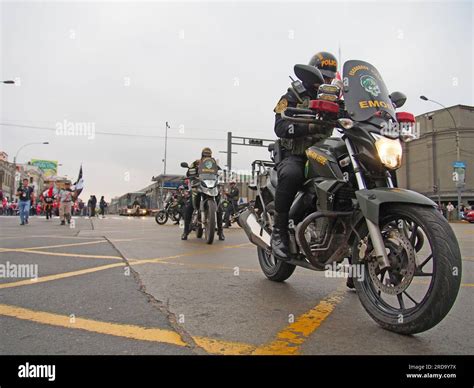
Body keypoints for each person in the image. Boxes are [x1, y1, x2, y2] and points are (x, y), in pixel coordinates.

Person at [271, 51, 338, 260]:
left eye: (329, 77)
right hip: (296, 155)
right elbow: (280, 126)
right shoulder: (294, 95)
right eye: (322, 76)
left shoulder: (336, 98)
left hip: (325, 154)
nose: (326, 81)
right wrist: (308, 126)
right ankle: (278, 232)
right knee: (292, 174)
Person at [181, 147, 225, 241]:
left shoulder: (214, 164)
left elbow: (220, 172)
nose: (207, 156)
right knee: (189, 207)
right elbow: (188, 171)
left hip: (211, 186)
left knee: (219, 208)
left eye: (208, 155)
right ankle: (185, 231)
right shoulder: (196, 162)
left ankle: (220, 232)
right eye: (205, 155)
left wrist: (222, 175)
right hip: (198, 185)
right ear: (202, 154)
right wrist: (191, 173)